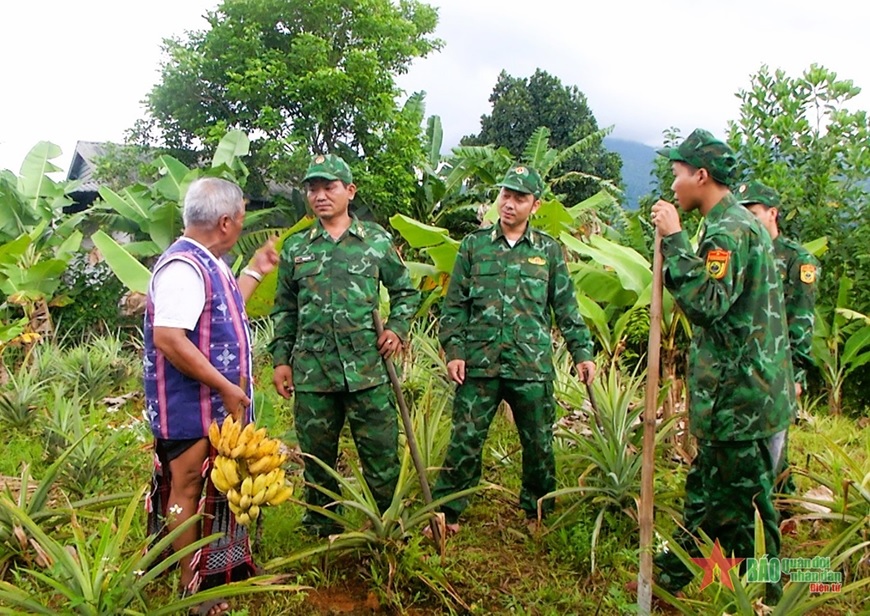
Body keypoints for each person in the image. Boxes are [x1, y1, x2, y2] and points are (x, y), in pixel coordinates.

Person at [649, 130, 796, 604]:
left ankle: (766, 598)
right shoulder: (735, 226)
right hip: (735, 396)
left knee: (749, 507)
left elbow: (709, 303)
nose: (673, 187)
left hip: (741, 398)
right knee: (707, 493)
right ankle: (673, 579)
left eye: (677, 176)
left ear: (701, 176)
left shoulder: (728, 231)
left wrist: (674, 240)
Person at [429, 164, 596, 536]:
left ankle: (536, 513)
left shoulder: (548, 253)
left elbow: (566, 307)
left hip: (530, 364)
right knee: (465, 440)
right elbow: (454, 305)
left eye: (520, 197)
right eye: (506, 194)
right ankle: (447, 513)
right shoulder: (474, 246)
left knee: (538, 443)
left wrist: (582, 352)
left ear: (535, 205)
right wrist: (454, 349)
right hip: (479, 363)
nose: (509, 203)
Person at [144, 177, 278, 615]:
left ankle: (220, 569)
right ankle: (191, 585)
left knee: (214, 488)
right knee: (185, 486)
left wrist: (256, 269)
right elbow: (169, 338)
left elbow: (225, 308)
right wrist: (223, 384)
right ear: (225, 222)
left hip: (214, 405)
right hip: (189, 406)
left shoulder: (209, 262)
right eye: (240, 219)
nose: (241, 225)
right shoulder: (183, 268)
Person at [269, 153, 420, 537]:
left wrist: (397, 328)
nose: (320, 196)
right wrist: (281, 360)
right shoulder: (296, 248)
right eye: (312, 188)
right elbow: (285, 309)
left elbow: (405, 291)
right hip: (313, 372)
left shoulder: (376, 241)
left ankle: (388, 523)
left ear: (349, 191)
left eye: (329, 187)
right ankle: (323, 524)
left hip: (368, 370)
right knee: (317, 457)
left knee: (381, 454)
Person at [738, 180, 819, 519]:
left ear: (772, 214)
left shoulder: (798, 261)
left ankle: (780, 514)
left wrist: (796, 373)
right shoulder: (744, 252)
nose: (749, 220)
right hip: (746, 367)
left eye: (754, 213)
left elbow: (801, 323)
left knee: (775, 446)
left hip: (780, 367)